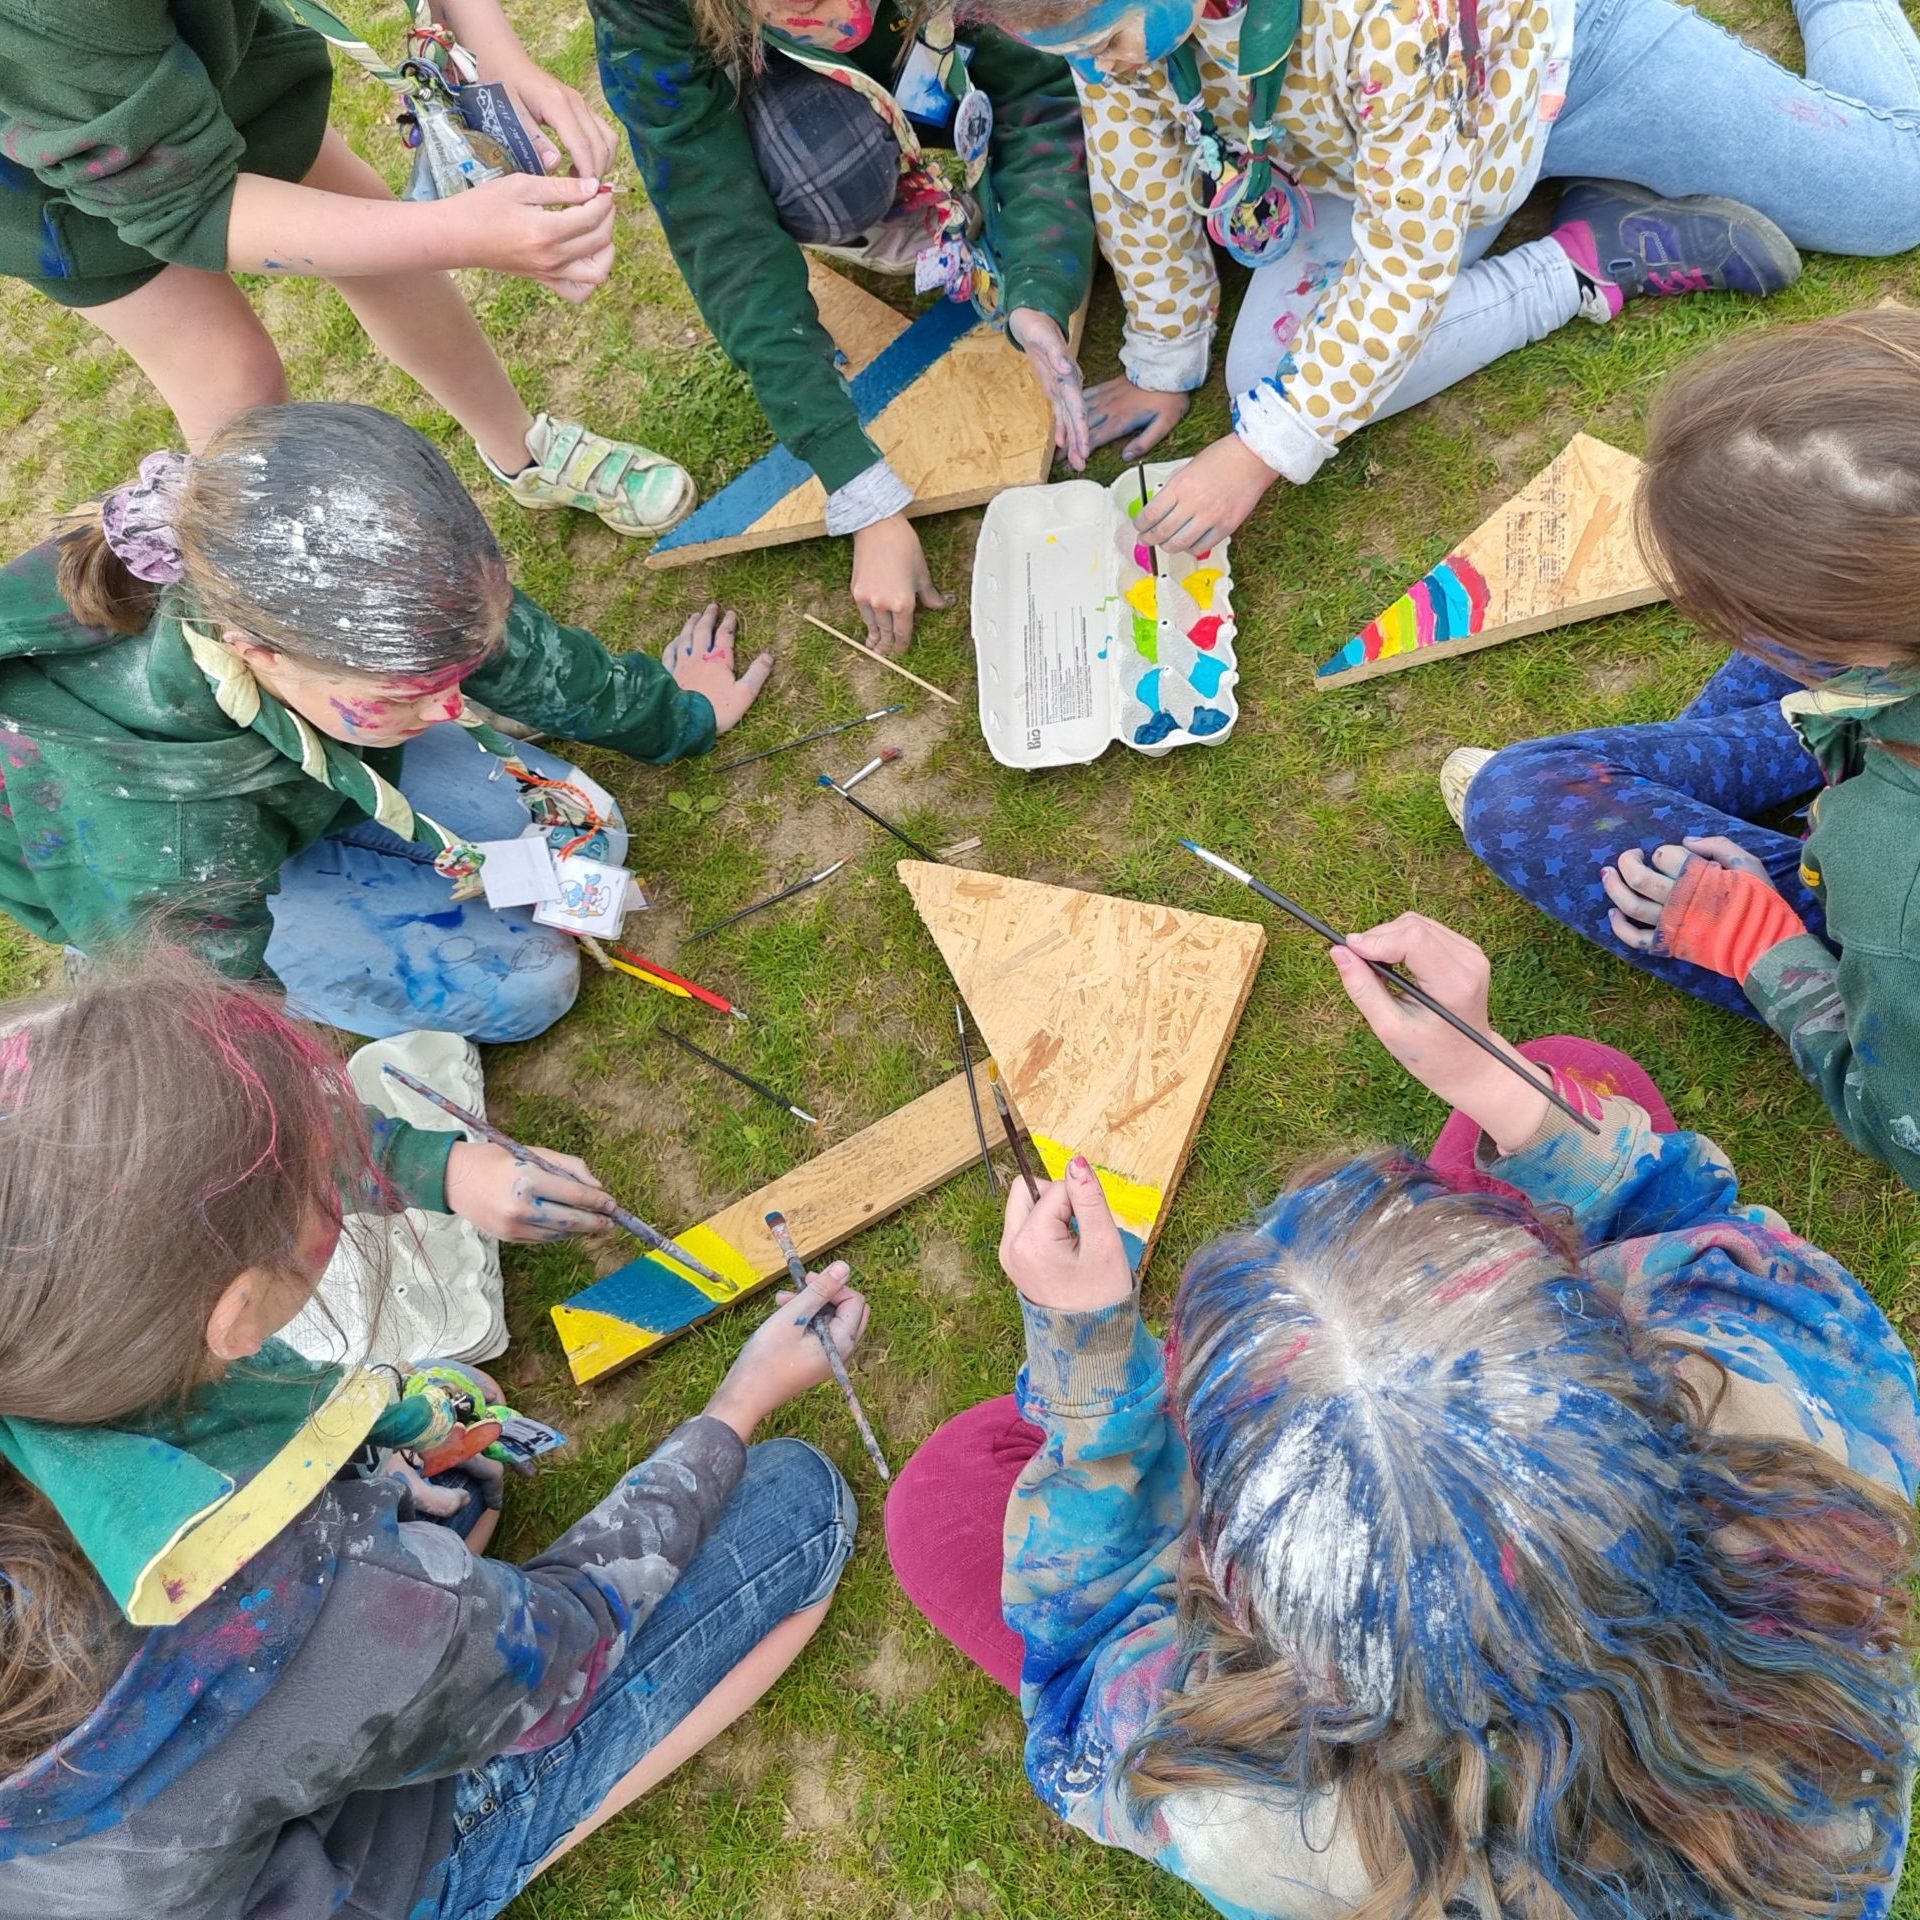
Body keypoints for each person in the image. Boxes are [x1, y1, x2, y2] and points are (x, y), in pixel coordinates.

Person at [889, 911, 1920, 1919]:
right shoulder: (1808, 1401)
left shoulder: (1250, 1817)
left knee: (942, 1498)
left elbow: (1076, 1665)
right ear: (1617, 1352)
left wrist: (1087, 1369)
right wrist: (1483, 1071)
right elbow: (1690, 1222)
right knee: (1553, 1070)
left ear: (1240, 1582)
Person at [0, 949, 869, 1920]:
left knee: (454, 1433)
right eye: (319, 1202)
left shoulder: (36, 1292)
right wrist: (735, 1409)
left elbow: (214, 1150)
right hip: (305, 1875)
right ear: (238, 1310)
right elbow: (565, 1650)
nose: (335, 1195)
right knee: (797, 1503)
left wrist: (448, 1168)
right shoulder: (288, 1600)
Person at [958, 0, 1920, 559]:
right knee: (1269, 384)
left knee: (1893, 196)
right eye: (1074, 54)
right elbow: (1136, 170)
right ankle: (1593, 252)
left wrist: (1256, 457)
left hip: (1565, 63)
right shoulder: (1102, 23)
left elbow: (1407, 256)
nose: (1104, 66)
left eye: (1108, 36)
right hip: (1363, 154)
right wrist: (1166, 355)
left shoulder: (1377, 13)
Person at [0, 399, 773, 1042]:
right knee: (528, 988)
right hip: (151, 868)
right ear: (257, 654)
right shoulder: (161, 840)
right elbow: (220, 1037)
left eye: (453, 680)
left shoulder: (359, 572)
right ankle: (105, 950)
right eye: (409, 693)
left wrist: (682, 717)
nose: (451, 710)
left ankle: (332, 802)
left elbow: (506, 650)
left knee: (590, 833)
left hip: (283, 769)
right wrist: (425, 1166)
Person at [1448, 308, 1920, 1191]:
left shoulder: (1890, 876)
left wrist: (1766, 952)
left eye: (1753, 623)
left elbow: (1905, 1125)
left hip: (1886, 899)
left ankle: (1697, 791)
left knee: (1523, 795)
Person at [0, 0, 694, 536]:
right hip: (47, 170)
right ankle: (317, 636)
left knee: (379, 244)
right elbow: (188, 207)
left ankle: (527, 457)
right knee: (231, 377)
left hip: (213, 59)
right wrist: (456, 232)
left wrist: (499, 56)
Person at [592, 0, 1097, 650]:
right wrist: (855, 482)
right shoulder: (642, 15)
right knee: (824, 169)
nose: (842, 11)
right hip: (783, 83)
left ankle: (924, 147)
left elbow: (1034, 90)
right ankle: (886, 203)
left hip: (914, 40)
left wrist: (1039, 285)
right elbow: (721, 229)